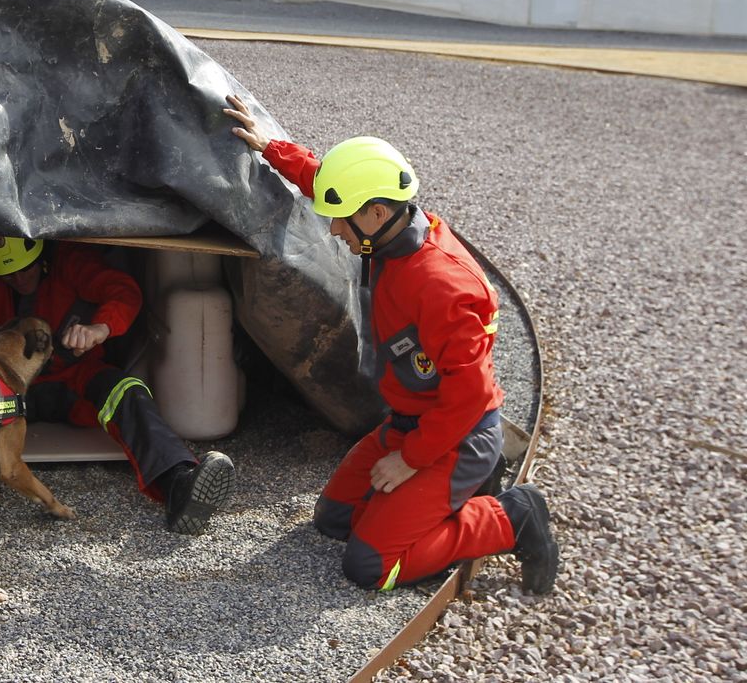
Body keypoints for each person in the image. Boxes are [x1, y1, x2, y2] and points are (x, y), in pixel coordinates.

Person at [222, 94, 558, 594]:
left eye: (340, 219)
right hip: (407, 422)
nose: (333, 229)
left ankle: (511, 517)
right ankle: (432, 505)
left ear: (377, 214)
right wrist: (272, 147)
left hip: (455, 437)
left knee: (370, 566)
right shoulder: (386, 226)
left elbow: (467, 397)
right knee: (335, 520)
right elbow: (325, 179)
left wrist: (411, 460)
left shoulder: (443, 286)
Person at [0, 235, 236, 535]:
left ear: (43, 255)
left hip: (72, 379)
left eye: (26, 270)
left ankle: (178, 483)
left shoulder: (71, 262)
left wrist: (101, 328)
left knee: (126, 392)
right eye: (9, 275)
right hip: (4, 391)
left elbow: (122, 291)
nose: (18, 280)